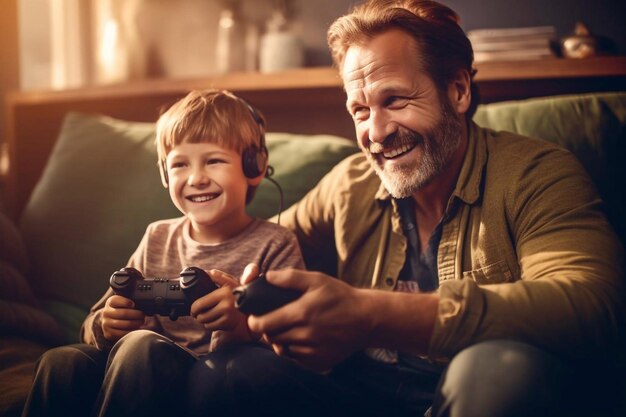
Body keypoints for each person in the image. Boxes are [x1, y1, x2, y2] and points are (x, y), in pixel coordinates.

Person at [187, 1, 625, 417]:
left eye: (395, 101)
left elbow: (594, 307)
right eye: (360, 111)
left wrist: (372, 313)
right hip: (353, 397)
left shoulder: (536, 174)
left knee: (496, 369)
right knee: (230, 372)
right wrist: (218, 295)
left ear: (457, 90)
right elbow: (253, 250)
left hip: (472, 391)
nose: (375, 133)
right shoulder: (348, 183)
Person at [20, 89, 305, 417]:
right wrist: (106, 324)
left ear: (254, 165)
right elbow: (92, 324)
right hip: (130, 373)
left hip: (203, 381)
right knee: (61, 360)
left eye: (213, 160)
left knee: (141, 347)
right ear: (163, 174)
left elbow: (294, 349)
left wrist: (242, 326)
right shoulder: (157, 236)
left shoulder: (275, 244)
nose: (196, 178)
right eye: (180, 164)